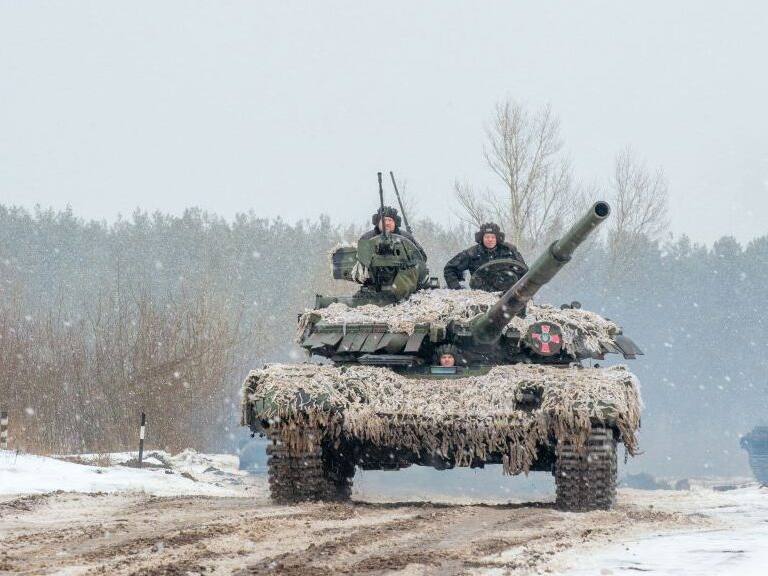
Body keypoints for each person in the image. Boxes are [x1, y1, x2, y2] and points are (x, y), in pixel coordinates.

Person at [443, 222, 527, 290]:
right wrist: (457, 289)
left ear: (497, 238)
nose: (490, 240)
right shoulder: (472, 253)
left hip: (509, 295)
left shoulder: (509, 250)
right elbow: (450, 269)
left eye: (492, 237)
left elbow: (524, 271)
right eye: (487, 237)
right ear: (482, 238)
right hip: (481, 296)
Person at [359, 206, 427, 259]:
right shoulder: (367, 238)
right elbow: (359, 258)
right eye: (384, 220)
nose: (387, 223)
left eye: (390, 220)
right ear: (377, 222)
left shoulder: (407, 238)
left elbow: (421, 257)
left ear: (395, 223)